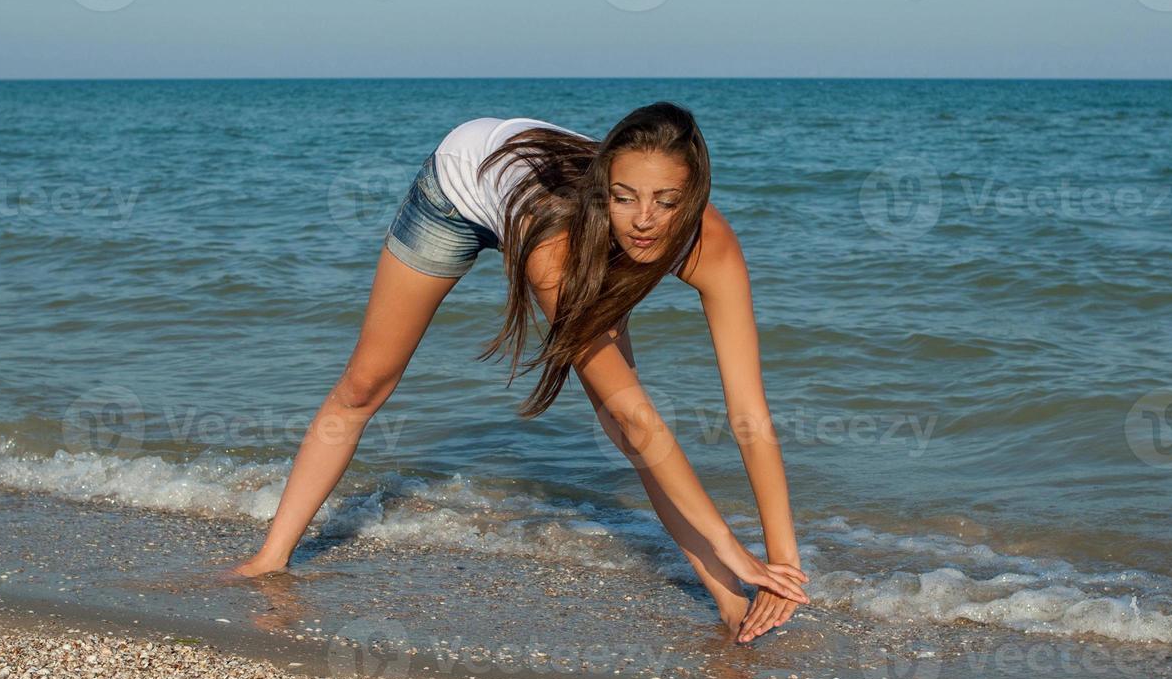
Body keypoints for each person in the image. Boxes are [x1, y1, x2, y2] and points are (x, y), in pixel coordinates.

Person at [231, 102, 809, 643]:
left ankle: (729, 599)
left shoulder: (714, 244)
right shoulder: (553, 246)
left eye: (667, 200)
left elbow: (749, 414)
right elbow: (640, 420)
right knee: (365, 385)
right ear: (605, 188)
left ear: (695, 195)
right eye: (624, 197)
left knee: (618, 419)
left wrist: (783, 560)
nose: (644, 220)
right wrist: (731, 544)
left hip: (551, 205)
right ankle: (271, 557)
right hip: (460, 188)